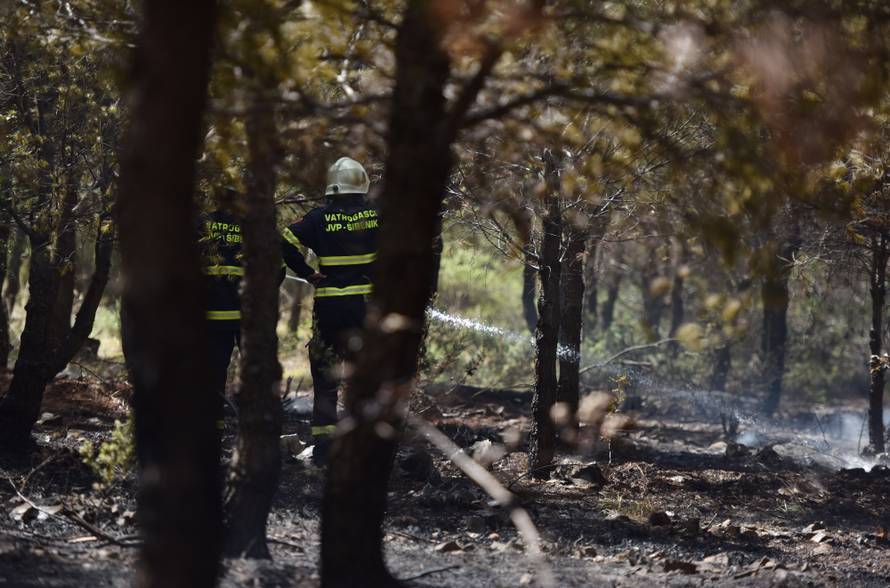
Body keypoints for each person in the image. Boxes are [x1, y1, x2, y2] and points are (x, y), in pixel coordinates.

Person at [282, 157, 379, 465]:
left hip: (329, 307)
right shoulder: (376, 215)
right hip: (364, 306)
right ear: (361, 183)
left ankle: (324, 446)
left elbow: (283, 240)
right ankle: (362, 443)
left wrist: (306, 271)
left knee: (325, 374)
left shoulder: (318, 217)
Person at [198, 189, 244, 431]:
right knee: (256, 373)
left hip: (212, 316)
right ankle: (255, 430)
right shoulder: (250, 226)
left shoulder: (200, 224)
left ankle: (212, 428)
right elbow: (276, 268)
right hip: (247, 316)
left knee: (214, 373)